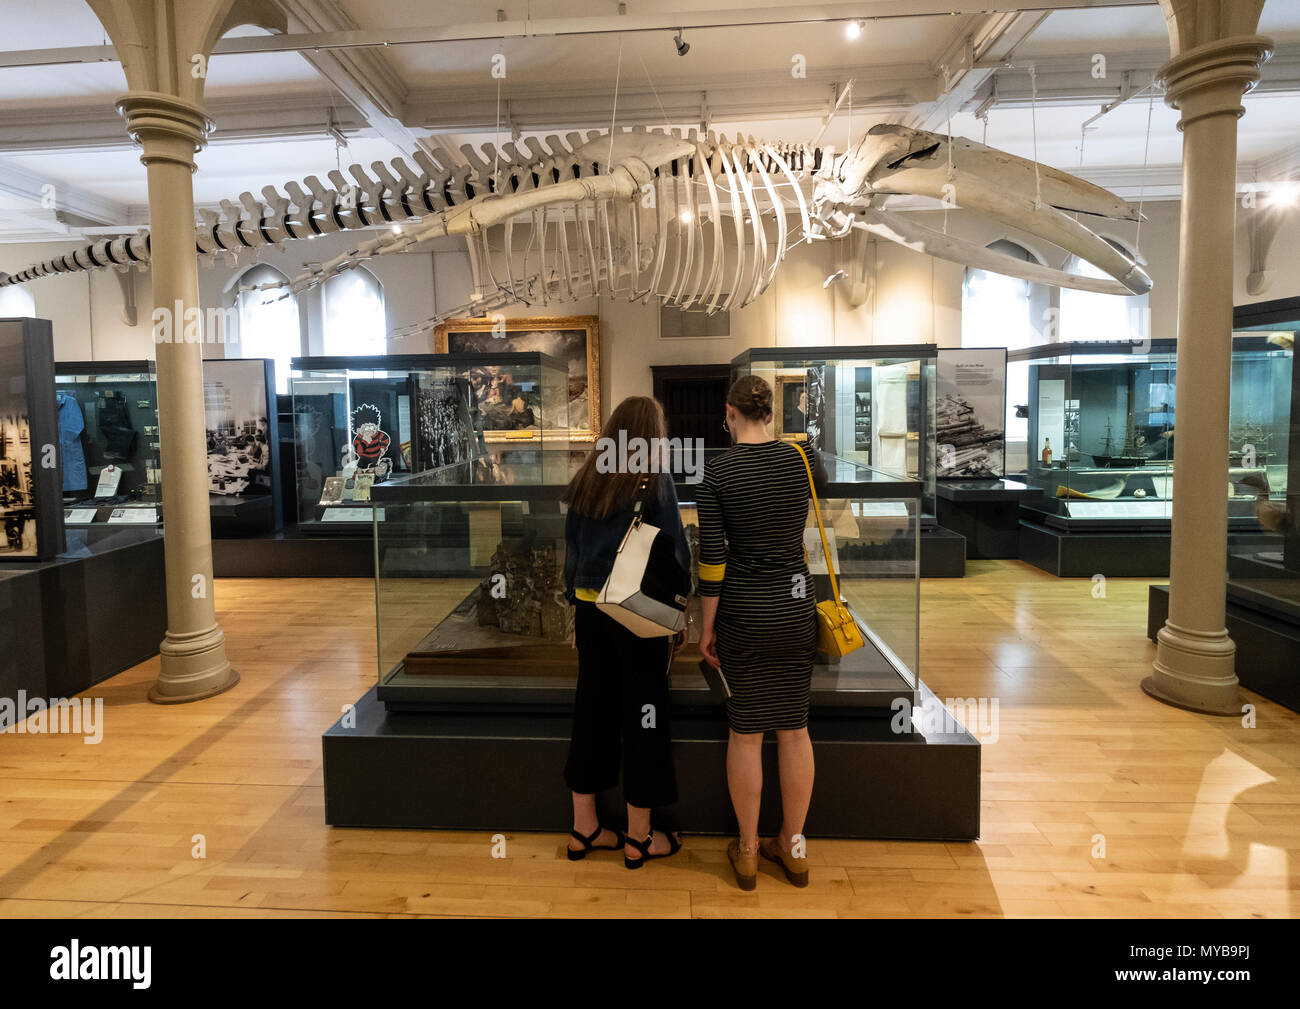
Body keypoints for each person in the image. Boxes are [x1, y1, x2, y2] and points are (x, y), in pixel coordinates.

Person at [697, 375, 826, 891]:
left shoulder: (717, 471)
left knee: (745, 732)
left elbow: (713, 559)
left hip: (744, 612)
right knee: (795, 729)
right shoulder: (802, 460)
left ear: (730, 414)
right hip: (796, 605)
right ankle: (793, 847)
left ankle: (748, 850)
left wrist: (707, 630)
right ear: (769, 414)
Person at [562, 396, 690, 868]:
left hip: (592, 613)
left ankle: (584, 828)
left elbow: (572, 552)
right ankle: (640, 838)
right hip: (639, 617)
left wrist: (575, 605)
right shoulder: (654, 481)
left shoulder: (588, 477)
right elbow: (675, 551)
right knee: (645, 718)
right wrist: (681, 608)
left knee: (590, 712)